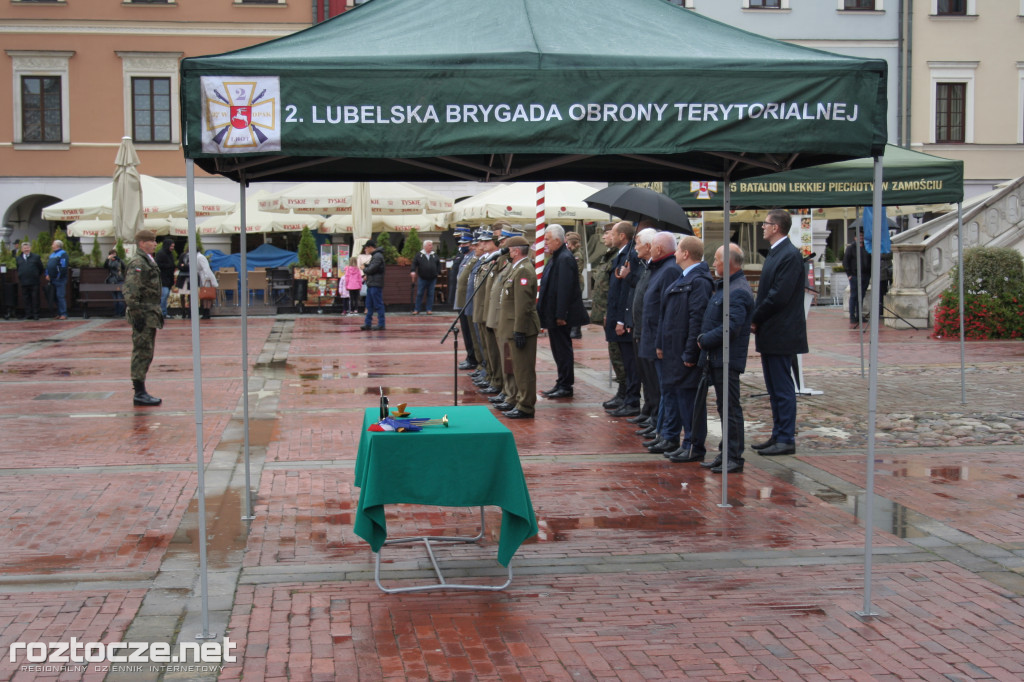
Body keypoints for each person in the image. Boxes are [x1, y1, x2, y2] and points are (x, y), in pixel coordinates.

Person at [750, 209, 808, 457]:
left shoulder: (790, 255)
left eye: (765, 224)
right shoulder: (777, 253)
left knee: (783, 387)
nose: (762, 227)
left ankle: (785, 437)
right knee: (774, 388)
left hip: (781, 331)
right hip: (771, 330)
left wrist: (755, 317)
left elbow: (778, 296)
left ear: (776, 227)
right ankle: (778, 433)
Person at [696, 244, 755, 473]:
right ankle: (725, 452)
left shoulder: (737, 290)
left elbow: (731, 328)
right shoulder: (726, 287)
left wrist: (704, 339)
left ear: (729, 262)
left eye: (717, 259)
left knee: (730, 408)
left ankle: (733, 456)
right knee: (724, 407)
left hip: (727, 358)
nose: (714, 264)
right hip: (717, 357)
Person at [656, 236, 713, 461]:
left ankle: (693, 444)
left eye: (678, 249)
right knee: (681, 398)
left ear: (686, 253)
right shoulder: (685, 277)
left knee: (690, 401)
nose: (676, 253)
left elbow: (696, 319)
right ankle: (686, 441)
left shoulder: (699, 281)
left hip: (684, 353)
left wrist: (691, 352)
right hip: (674, 350)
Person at [636, 231, 682, 454]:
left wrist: (660, 342)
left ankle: (666, 432)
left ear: (660, 249)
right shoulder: (656, 268)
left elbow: (667, 310)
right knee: (661, 388)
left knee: (666, 389)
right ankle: (662, 431)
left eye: (652, 246)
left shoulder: (669, 270)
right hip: (650, 336)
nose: (649, 249)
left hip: (659, 340)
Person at [537, 224, 587, 399]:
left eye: (548, 239)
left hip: (560, 315)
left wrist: (561, 314)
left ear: (558, 240)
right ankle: (561, 381)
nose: (545, 243)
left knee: (563, 350)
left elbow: (565, 289)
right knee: (557, 350)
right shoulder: (556, 257)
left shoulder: (565, 258)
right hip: (553, 313)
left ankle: (566, 384)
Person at [499, 236, 540, 419]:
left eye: (508, 250)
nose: (506, 253)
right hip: (513, 326)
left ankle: (526, 406)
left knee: (524, 369)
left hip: (522, 327)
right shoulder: (516, 269)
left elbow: (522, 305)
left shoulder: (523, 271)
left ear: (515, 251)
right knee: (517, 367)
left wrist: (519, 330)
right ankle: (519, 400)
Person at [604, 221, 641, 415]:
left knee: (630, 362)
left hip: (624, 318)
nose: (610, 235)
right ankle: (625, 395)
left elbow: (627, 291)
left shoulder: (631, 256)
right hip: (615, 313)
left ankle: (632, 399)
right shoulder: (622, 255)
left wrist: (620, 320)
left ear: (622, 236)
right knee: (623, 360)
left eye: (613, 233)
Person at [123, 229, 164, 406]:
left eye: (155, 241)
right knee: (142, 351)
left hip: (150, 313)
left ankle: (141, 390)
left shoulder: (147, 260)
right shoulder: (138, 262)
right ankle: (139, 392)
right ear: (142, 243)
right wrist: (137, 314)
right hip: (143, 313)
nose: (155, 244)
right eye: (151, 241)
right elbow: (131, 291)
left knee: (147, 351)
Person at [590, 223, 627, 411]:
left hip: (613, 313)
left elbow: (619, 288)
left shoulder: (622, 257)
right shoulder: (612, 255)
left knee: (620, 355)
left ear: (620, 235)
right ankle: (623, 392)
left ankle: (626, 392)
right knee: (615, 354)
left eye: (609, 234)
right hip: (608, 311)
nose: (606, 237)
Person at [451, 231, 478, 369]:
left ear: (472, 245)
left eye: (465, 243)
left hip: (467, 301)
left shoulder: (473, 258)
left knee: (470, 332)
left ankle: (473, 358)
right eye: (461, 243)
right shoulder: (465, 257)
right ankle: (470, 356)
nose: (462, 246)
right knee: (467, 332)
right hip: (462, 301)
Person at [843, 231, 870, 327]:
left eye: (862, 236)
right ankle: (852, 316)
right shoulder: (851, 248)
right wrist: (849, 274)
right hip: (854, 276)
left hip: (865, 275)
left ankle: (859, 315)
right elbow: (845, 261)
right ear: (855, 238)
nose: (861, 238)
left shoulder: (867, 247)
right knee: (854, 296)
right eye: (859, 236)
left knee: (861, 296)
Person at [360, 239, 386, 330]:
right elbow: (373, 268)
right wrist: (367, 267)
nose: (365, 250)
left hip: (375, 283)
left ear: (371, 247)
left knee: (378, 304)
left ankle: (381, 324)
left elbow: (372, 269)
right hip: (372, 283)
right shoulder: (375, 256)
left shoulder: (378, 256)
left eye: (366, 248)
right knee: (369, 305)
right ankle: (368, 323)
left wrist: (364, 269)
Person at [410, 239, 440, 315]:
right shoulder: (419, 255)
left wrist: (437, 272)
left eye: (431, 245)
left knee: (431, 294)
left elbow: (438, 264)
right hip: (422, 278)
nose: (431, 246)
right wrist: (413, 271)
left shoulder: (434, 255)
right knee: (420, 293)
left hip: (432, 278)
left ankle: (429, 309)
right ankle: (417, 309)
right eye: (430, 245)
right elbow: (414, 263)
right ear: (425, 246)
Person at [16, 242, 45, 320]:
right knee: (26, 299)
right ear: (22, 249)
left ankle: (36, 314)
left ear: (30, 248)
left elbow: (41, 268)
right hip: (24, 282)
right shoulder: (18, 258)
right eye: (25, 248)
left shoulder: (36, 257)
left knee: (35, 298)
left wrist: (35, 275)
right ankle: (28, 314)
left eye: (28, 248)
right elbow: (18, 268)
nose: (26, 249)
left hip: (34, 281)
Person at [565, 231, 585, 339]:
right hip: (573, 283)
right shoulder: (573, 253)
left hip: (577, 283)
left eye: (568, 243)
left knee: (576, 306)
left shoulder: (577, 255)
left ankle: (576, 329)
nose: (567, 246)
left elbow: (577, 270)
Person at [46, 239, 69, 320]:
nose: (52, 246)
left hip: (60, 279)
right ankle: (59, 313)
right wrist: (47, 274)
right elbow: (48, 265)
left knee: (60, 296)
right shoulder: (52, 255)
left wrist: (59, 276)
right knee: (55, 297)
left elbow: (63, 266)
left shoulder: (63, 254)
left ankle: (63, 313)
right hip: (52, 279)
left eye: (53, 244)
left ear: (57, 245)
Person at [154, 238, 176, 317]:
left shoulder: (170, 254)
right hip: (163, 278)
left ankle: (164, 312)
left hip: (168, 278)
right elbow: (158, 265)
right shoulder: (161, 254)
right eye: (171, 246)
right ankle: (162, 312)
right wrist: (169, 266)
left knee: (165, 296)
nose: (172, 248)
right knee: (164, 295)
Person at [195, 250, 217, 320]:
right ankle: (205, 311)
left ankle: (207, 311)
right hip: (203, 277)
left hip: (206, 278)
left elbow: (206, 268)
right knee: (205, 295)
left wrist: (207, 277)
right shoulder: (197, 257)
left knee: (207, 295)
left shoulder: (200, 257)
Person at [104, 248, 126, 317]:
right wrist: (107, 259)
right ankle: (117, 313)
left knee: (120, 297)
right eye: (112, 254)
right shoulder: (109, 261)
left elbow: (124, 267)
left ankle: (121, 313)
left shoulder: (119, 261)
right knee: (115, 298)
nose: (113, 255)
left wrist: (118, 259)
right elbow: (105, 266)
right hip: (112, 281)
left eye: (114, 254)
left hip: (119, 280)